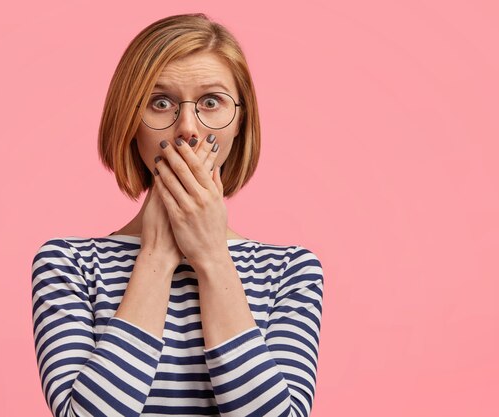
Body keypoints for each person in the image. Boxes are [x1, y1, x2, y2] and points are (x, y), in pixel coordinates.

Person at [31, 13, 324, 417]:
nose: (187, 128)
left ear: (239, 122)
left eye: (211, 102)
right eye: (161, 102)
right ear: (130, 122)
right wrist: (157, 255)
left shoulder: (291, 271)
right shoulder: (68, 265)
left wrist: (212, 257)